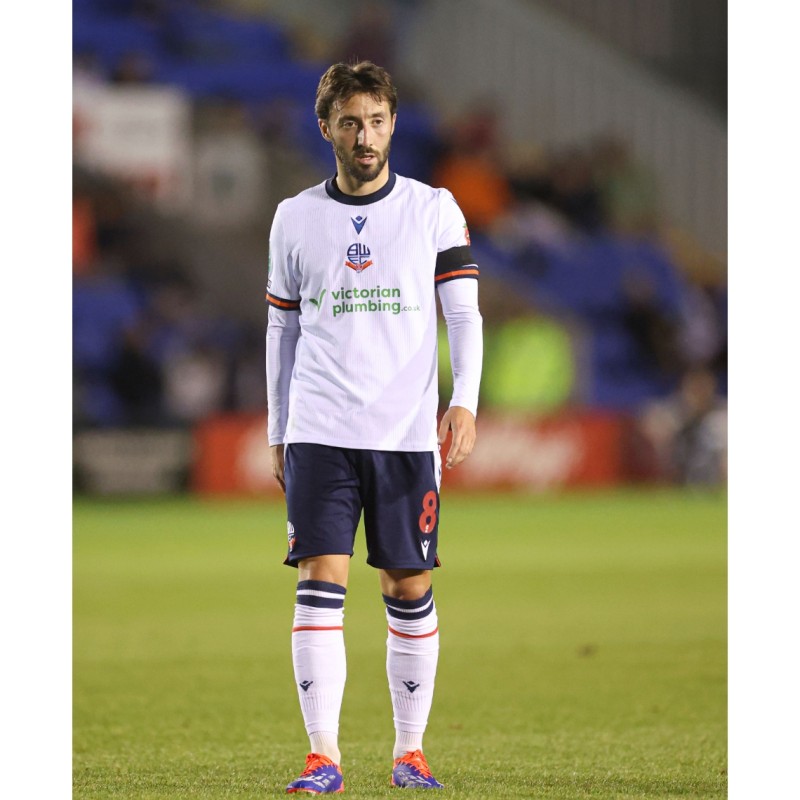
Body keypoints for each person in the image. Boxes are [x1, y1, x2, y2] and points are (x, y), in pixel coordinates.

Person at [266, 61, 483, 793]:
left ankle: (410, 752)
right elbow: (280, 330)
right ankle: (322, 755)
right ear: (326, 126)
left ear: (394, 124)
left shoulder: (433, 209)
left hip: (403, 434)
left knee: (407, 586)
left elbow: (464, 315)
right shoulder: (295, 216)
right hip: (320, 427)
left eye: (379, 121)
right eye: (352, 122)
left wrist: (467, 401)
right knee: (319, 580)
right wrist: (277, 428)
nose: (367, 136)